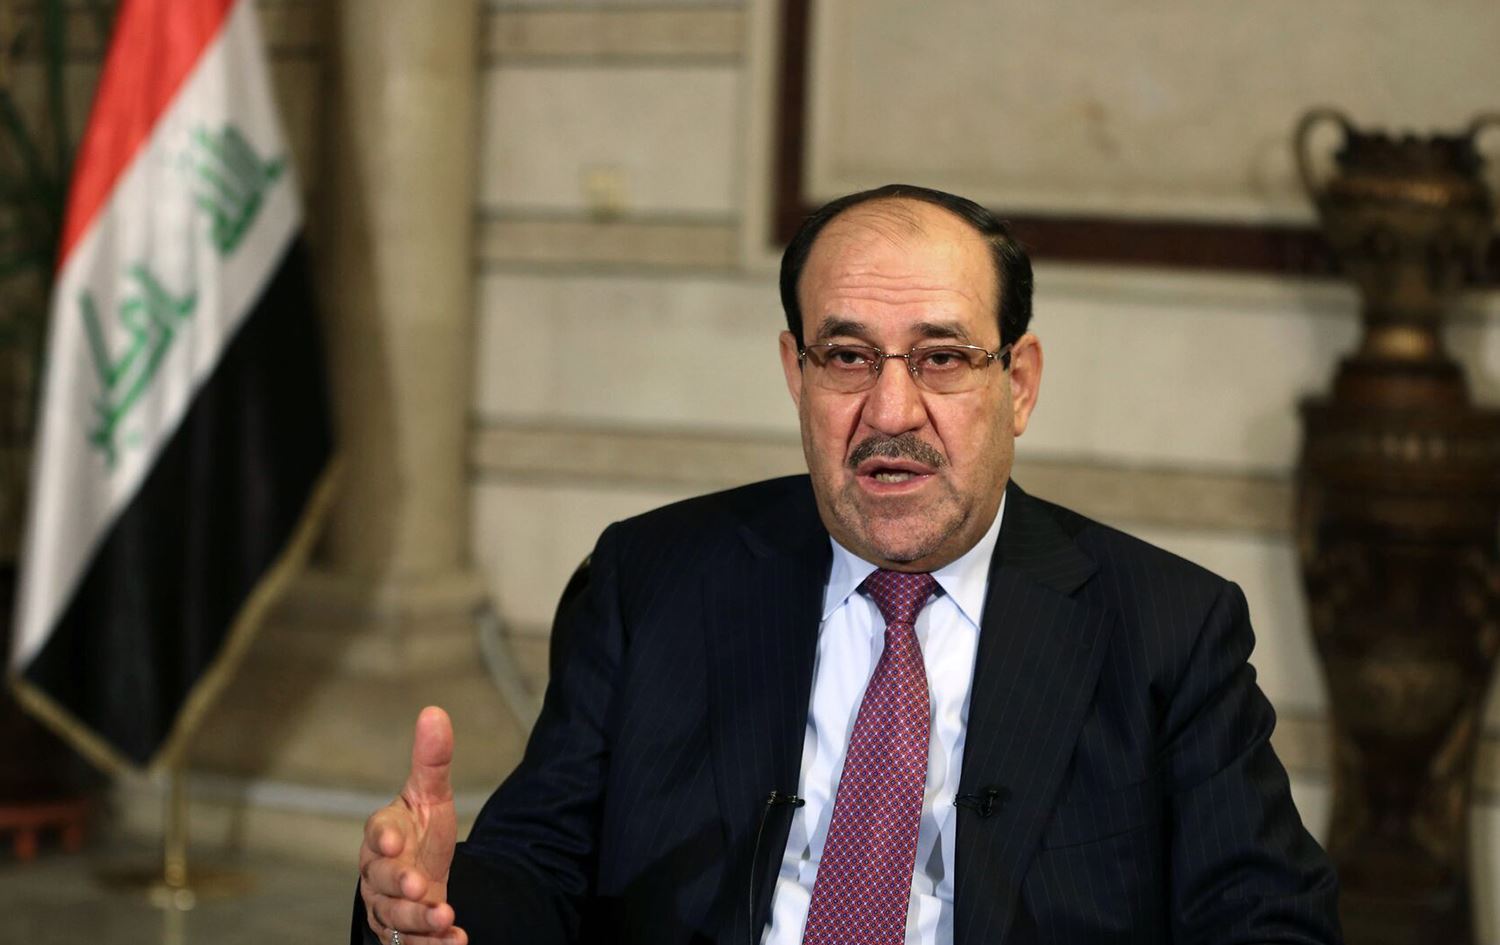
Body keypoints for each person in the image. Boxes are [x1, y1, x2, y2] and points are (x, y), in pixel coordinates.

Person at [354, 184, 1341, 945]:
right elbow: (540, 867)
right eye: (848, 357)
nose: (891, 411)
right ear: (797, 372)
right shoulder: (652, 579)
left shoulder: (1165, 626)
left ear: (1020, 384)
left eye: (942, 357)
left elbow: (1267, 920)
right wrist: (434, 906)